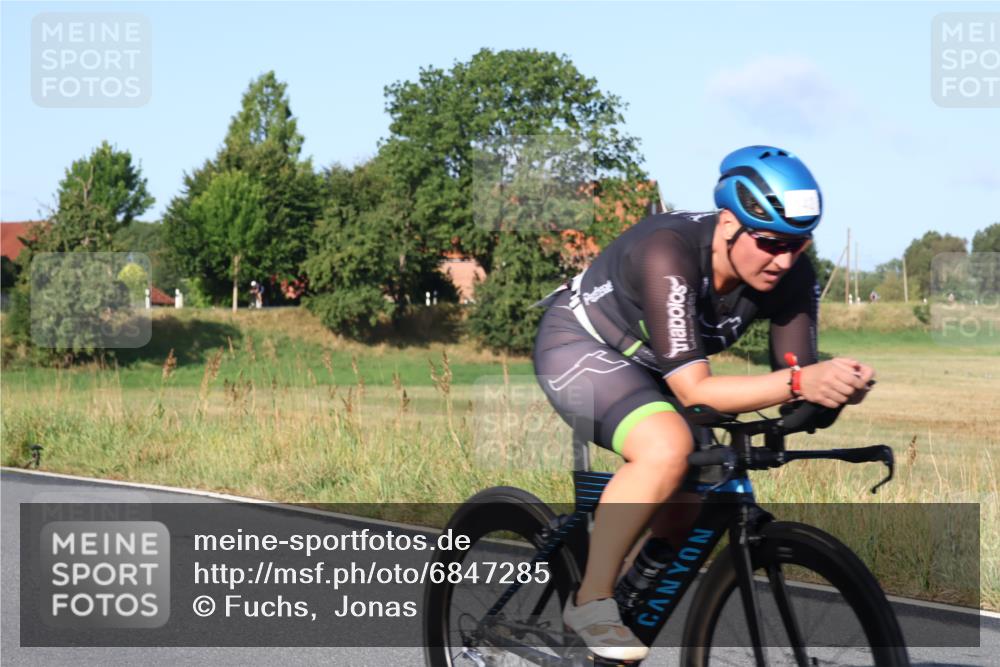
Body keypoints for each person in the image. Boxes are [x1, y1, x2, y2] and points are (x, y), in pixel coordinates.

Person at [532, 145, 876, 661]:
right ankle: (591, 599)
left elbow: (794, 376)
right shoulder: (668, 250)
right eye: (768, 243)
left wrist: (834, 390)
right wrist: (802, 383)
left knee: (689, 504)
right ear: (727, 224)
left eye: (798, 245)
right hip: (582, 345)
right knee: (666, 448)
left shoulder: (791, 273)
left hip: (655, 363)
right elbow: (697, 389)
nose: (783, 260)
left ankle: (627, 600)